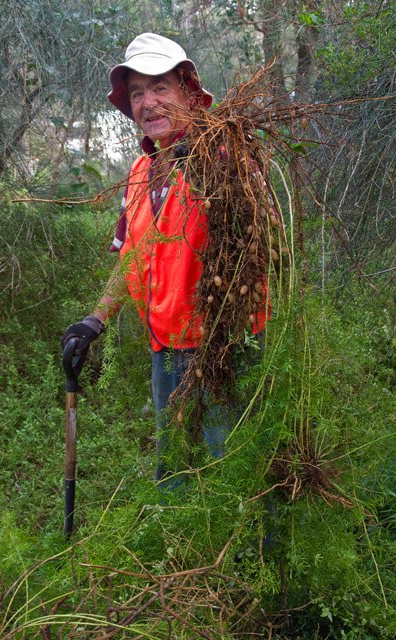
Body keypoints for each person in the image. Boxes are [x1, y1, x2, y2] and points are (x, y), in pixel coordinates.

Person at [61, 33, 269, 489]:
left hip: (224, 347)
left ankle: (250, 559)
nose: (148, 102)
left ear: (190, 94)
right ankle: (178, 555)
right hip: (166, 350)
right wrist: (94, 321)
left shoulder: (223, 154)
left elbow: (261, 242)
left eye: (160, 88)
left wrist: (217, 167)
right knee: (175, 471)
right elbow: (131, 258)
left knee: (231, 472)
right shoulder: (141, 172)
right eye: (137, 92)